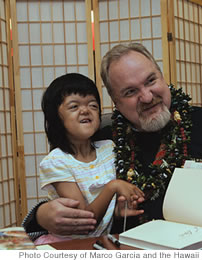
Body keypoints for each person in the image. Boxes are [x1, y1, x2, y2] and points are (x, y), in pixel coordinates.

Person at [23, 44, 202, 244]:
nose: (146, 96)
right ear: (116, 103)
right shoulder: (103, 138)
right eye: (130, 92)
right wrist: (44, 215)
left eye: (151, 81)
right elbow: (70, 194)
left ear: (162, 76)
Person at [32, 73, 144, 245]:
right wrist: (113, 186)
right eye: (74, 106)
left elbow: (102, 207)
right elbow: (85, 221)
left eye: (93, 105)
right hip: (64, 245)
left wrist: (117, 211)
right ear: (56, 117)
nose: (85, 110)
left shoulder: (109, 148)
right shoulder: (56, 162)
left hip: (100, 243)